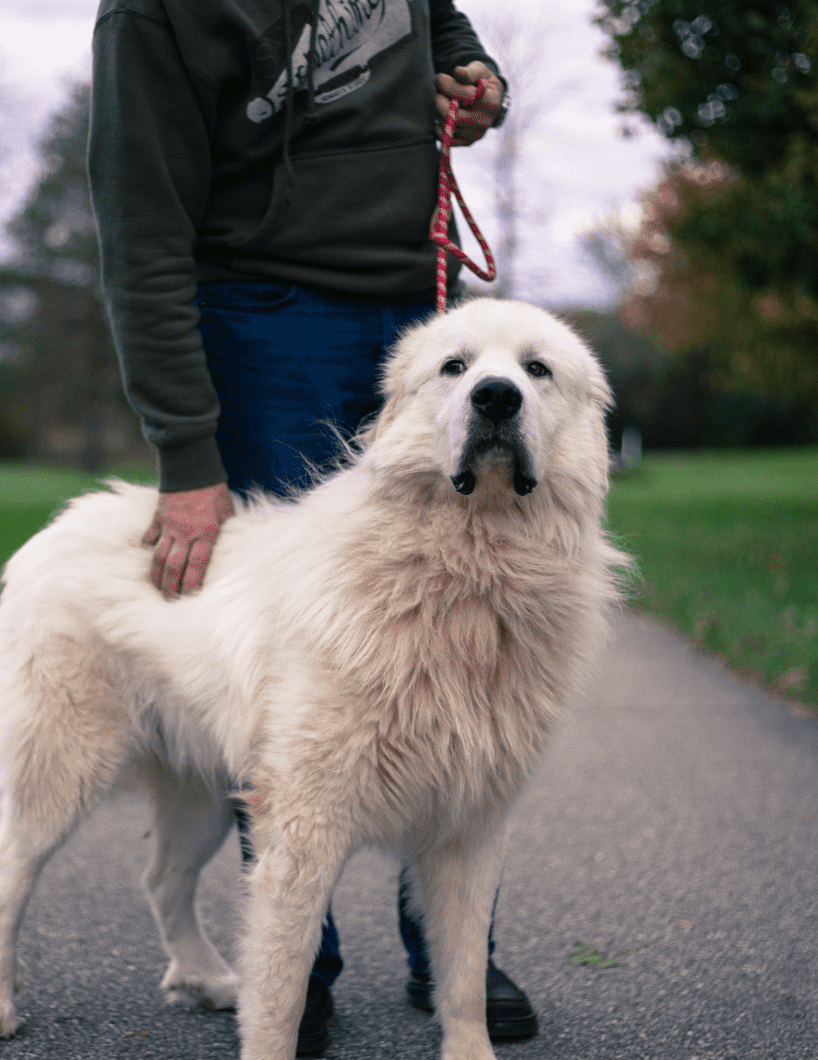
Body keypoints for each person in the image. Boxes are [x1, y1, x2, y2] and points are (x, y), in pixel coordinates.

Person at [89, 1, 533, 1052]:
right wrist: (188, 456)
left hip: (423, 310)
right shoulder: (149, 14)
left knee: (470, 647)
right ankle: (298, 964)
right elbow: (139, 238)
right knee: (300, 670)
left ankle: (450, 954)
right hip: (263, 319)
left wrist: (476, 82)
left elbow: (439, 22)